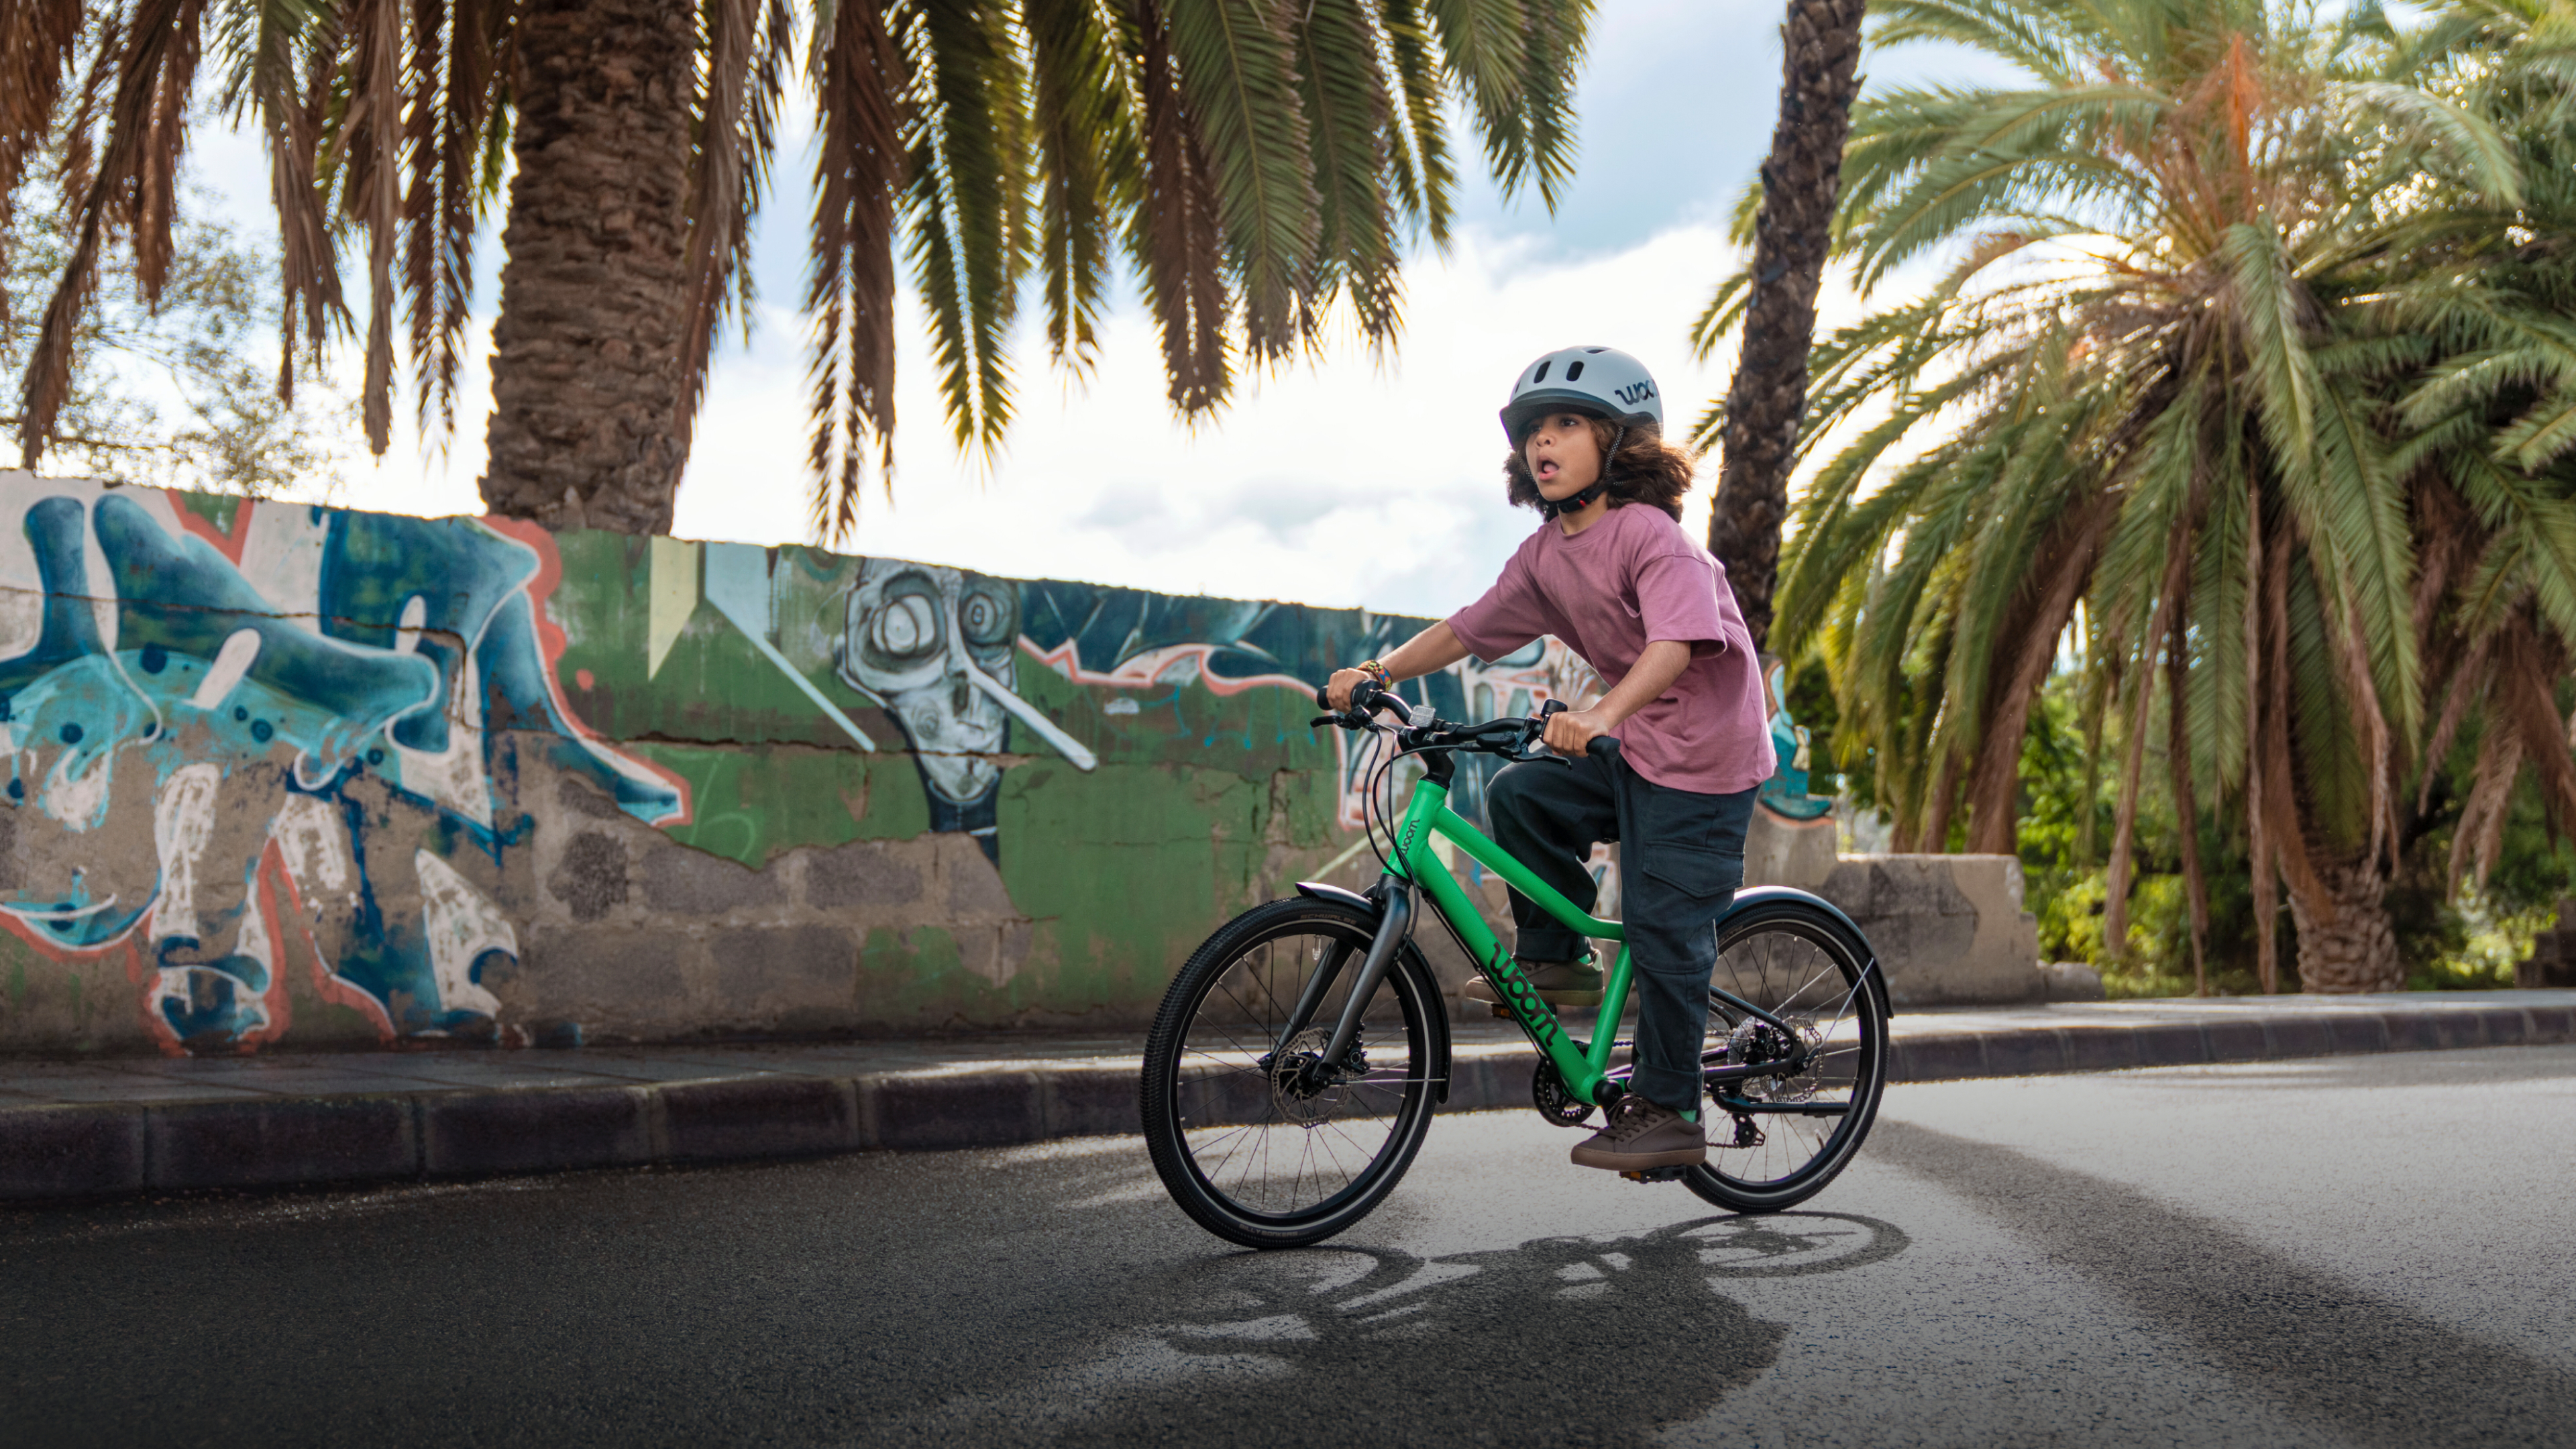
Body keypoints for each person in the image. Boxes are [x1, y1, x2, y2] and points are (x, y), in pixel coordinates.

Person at [1325, 345, 1774, 1172]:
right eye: (1534, 429)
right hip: (1632, 744)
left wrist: (1599, 712)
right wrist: (1379, 674)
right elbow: (1470, 627)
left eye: (1567, 424)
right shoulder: (1545, 554)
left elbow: (1676, 644)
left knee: (1662, 922)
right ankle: (1558, 964)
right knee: (1524, 793)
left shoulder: (1653, 538)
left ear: (1619, 440)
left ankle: (1673, 1109)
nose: (1544, 442)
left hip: (1705, 760)